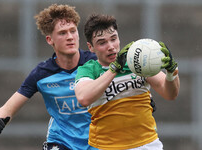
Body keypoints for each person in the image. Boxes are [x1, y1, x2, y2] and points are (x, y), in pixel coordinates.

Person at [0, 4, 98, 150]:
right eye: (62, 33)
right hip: (61, 142)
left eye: (73, 31)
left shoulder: (97, 63)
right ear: (49, 40)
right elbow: (8, 108)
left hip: (98, 140)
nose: (70, 37)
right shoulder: (41, 74)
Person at [74, 14, 180, 150]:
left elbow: (170, 94)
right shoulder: (89, 70)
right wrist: (114, 70)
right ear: (91, 47)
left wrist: (171, 74)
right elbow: (83, 98)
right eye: (102, 42)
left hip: (147, 144)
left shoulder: (136, 63)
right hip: (106, 147)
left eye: (114, 39)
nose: (111, 46)